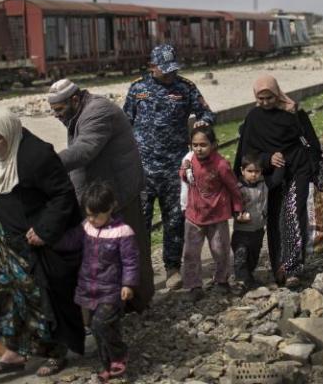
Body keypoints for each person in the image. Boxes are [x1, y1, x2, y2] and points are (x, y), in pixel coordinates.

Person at [0, 108, 84, 376]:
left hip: (36, 241)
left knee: (43, 297)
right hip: (8, 239)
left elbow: (63, 195)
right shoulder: (6, 154)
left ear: (9, 132)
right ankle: (15, 351)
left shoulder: (37, 156)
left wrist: (44, 230)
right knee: (6, 293)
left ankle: (57, 352)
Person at [48, 78, 155, 312]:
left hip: (122, 191)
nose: (56, 115)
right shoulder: (77, 112)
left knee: (131, 247)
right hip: (106, 189)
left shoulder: (98, 111)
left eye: (59, 109)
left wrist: (48, 163)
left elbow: (84, 150)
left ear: (74, 99)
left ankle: (140, 301)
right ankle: (119, 300)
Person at [124, 44, 215, 290]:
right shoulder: (137, 89)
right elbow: (125, 124)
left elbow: (207, 114)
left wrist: (201, 125)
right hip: (142, 170)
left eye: (172, 69)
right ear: (151, 66)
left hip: (174, 167)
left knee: (174, 220)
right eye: (164, 70)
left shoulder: (185, 88)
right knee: (139, 222)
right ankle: (140, 272)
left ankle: (172, 268)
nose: (169, 74)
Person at [235, 75, 321, 287]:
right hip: (269, 176)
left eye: (269, 98)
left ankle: (292, 268)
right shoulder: (254, 118)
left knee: (294, 215)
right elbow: (247, 152)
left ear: (277, 94)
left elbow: (309, 140)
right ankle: (278, 268)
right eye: (261, 98)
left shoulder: (292, 112)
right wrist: (267, 158)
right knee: (274, 220)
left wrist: (297, 113)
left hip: (296, 170)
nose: (265, 103)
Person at [58, 182, 138, 382]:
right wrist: (49, 238)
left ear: (110, 208)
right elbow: (71, 241)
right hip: (89, 289)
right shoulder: (86, 227)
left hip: (112, 290)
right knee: (97, 328)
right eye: (89, 215)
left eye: (96, 215)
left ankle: (119, 354)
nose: (92, 219)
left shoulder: (123, 232)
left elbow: (130, 261)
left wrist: (128, 284)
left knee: (100, 323)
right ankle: (108, 366)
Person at [179, 126, 243, 299]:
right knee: (190, 252)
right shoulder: (190, 161)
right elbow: (185, 178)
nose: (198, 149)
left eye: (203, 145)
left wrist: (237, 207)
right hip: (194, 216)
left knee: (220, 249)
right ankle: (194, 286)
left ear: (213, 145)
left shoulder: (221, 164)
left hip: (217, 215)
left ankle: (222, 281)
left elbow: (233, 187)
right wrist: (184, 171)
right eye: (195, 145)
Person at [231, 154, 268, 295]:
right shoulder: (238, 188)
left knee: (253, 255)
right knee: (241, 254)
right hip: (242, 230)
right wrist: (237, 215)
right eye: (250, 171)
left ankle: (249, 278)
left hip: (258, 229)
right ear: (242, 170)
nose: (253, 175)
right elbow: (232, 205)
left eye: (257, 171)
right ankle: (240, 282)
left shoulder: (263, 185)